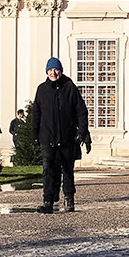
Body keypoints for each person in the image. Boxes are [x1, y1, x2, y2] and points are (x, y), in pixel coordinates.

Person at [29, 56, 90, 212]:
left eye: (56, 69)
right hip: (47, 137)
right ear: (47, 72)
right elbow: (36, 113)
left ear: (61, 71)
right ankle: (48, 201)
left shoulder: (70, 87)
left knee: (67, 170)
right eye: (50, 70)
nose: (53, 73)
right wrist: (34, 134)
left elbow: (81, 111)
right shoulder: (42, 89)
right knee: (48, 169)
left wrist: (83, 131)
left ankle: (69, 199)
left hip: (67, 137)